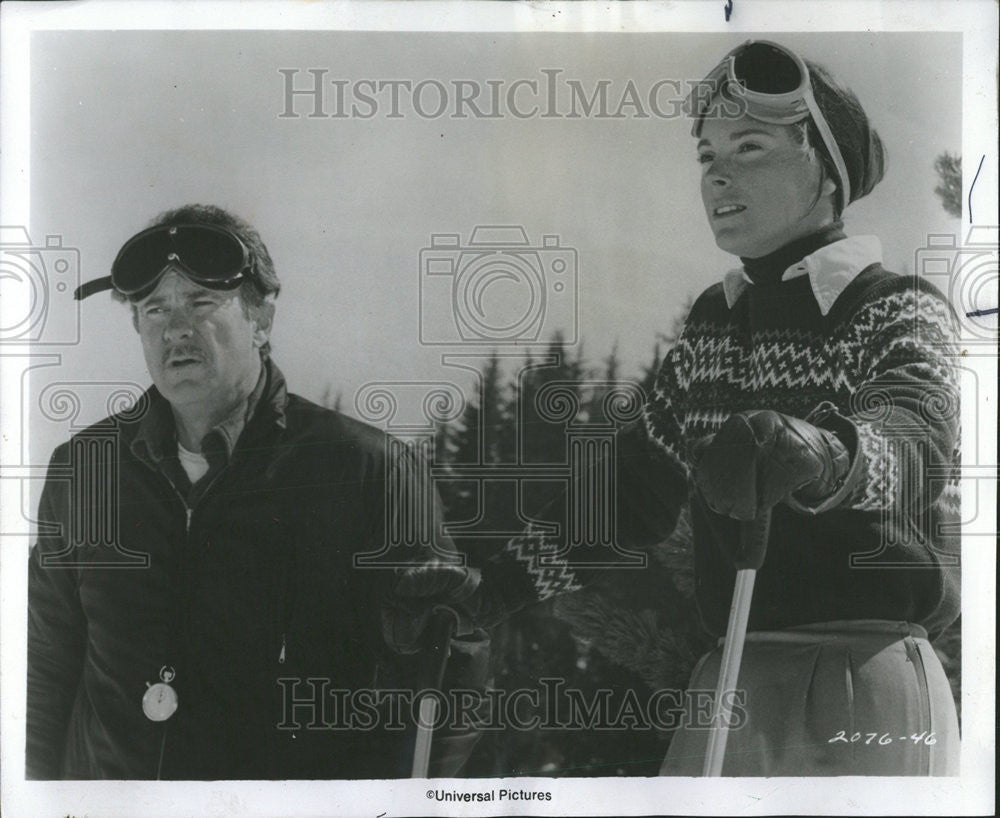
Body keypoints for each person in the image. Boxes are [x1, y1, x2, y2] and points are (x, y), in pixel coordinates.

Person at [476, 40, 961, 775]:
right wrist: (489, 592)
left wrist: (828, 454)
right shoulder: (717, 325)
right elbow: (632, 486)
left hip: (864, 671)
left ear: (826, 171)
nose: (718, 175)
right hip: (732, 671)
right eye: (707, 156)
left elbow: (917, 438)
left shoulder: (892, 305)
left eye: (751, 146)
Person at [27, 204, 484, 780]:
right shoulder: (83, 470)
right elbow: (44, 669)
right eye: (155, 309)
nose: (175, 329)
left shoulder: (371, 471)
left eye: (201, 303)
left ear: (261, 320)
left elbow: (443, 683)